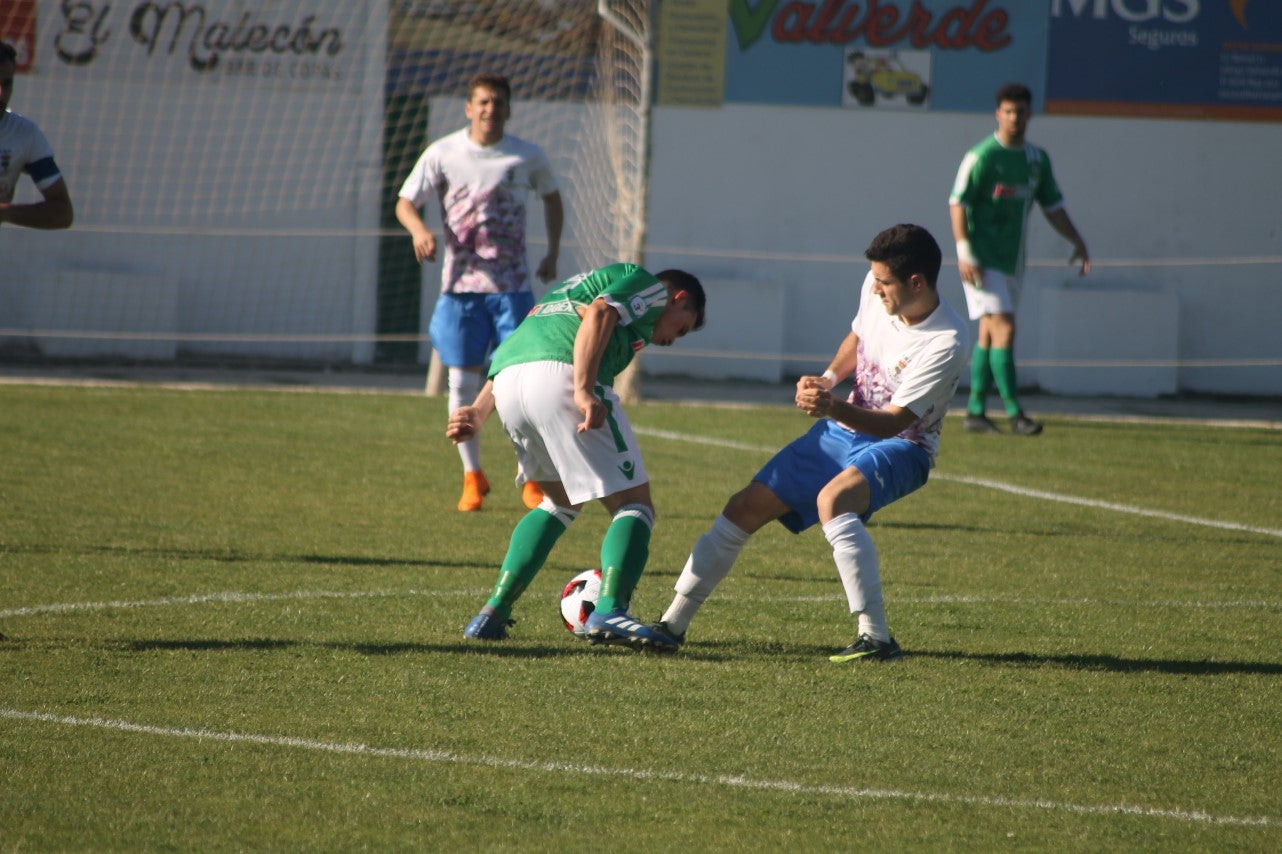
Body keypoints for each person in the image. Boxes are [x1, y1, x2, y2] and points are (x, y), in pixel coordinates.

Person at [650, 224, 966, 663]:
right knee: (742, 507)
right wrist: (829, 379)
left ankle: (876, 637)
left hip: (906, 446)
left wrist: (831, 407)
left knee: (833, 501)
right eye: (873, 279)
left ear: (916, 282)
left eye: (884, 282)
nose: (875, 289)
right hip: (844, 430)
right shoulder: (877, 289)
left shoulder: (946, 342)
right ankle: (671, 625)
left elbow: (894, 423)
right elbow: (858, 337)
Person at [446, 262, 706, 651]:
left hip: (510, 384)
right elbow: (601, 313)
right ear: (678, 299)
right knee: (635, 505)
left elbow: (522, 346)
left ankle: (492, 613)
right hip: (563, 378)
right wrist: (584, 389)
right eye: (681, 328)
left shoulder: (567, 292)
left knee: (558, 502)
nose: (672, 339)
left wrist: (480, 411)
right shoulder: (650, 288)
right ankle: (611, 610)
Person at [396, 72, 564, 511]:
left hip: (512, 289)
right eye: (483, 102)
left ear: (509, 109)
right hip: (460, 289)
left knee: (517, 382)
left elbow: (552, 197)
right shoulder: (444, 153)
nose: (491, 110)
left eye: (498, 103)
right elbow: (405, 201)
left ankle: (531, 475)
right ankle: (471, 477)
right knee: (462, 381)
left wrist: (552, 253)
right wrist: (418, 230)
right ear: (469, 108)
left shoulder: (527, 156)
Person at [949, 82, 1088, 436]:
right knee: (1006, 328)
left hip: (1013, 262)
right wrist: (964, 251)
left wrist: (1077, 240)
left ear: (1029, 114)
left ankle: (975, 412)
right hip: (982, 260)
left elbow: (1053, 206)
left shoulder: (1036, 160)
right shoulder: (981, 156)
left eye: (1021, 112)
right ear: (998, 114)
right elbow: (957, 202)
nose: (1015, 118)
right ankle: (1016, 413)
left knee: (989, 335)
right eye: (1008, 112)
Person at [0, 42, 74, 231]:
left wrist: (4, 212)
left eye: (6, 84)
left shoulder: (24, 134)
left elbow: (62, 213)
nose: (1, 94)